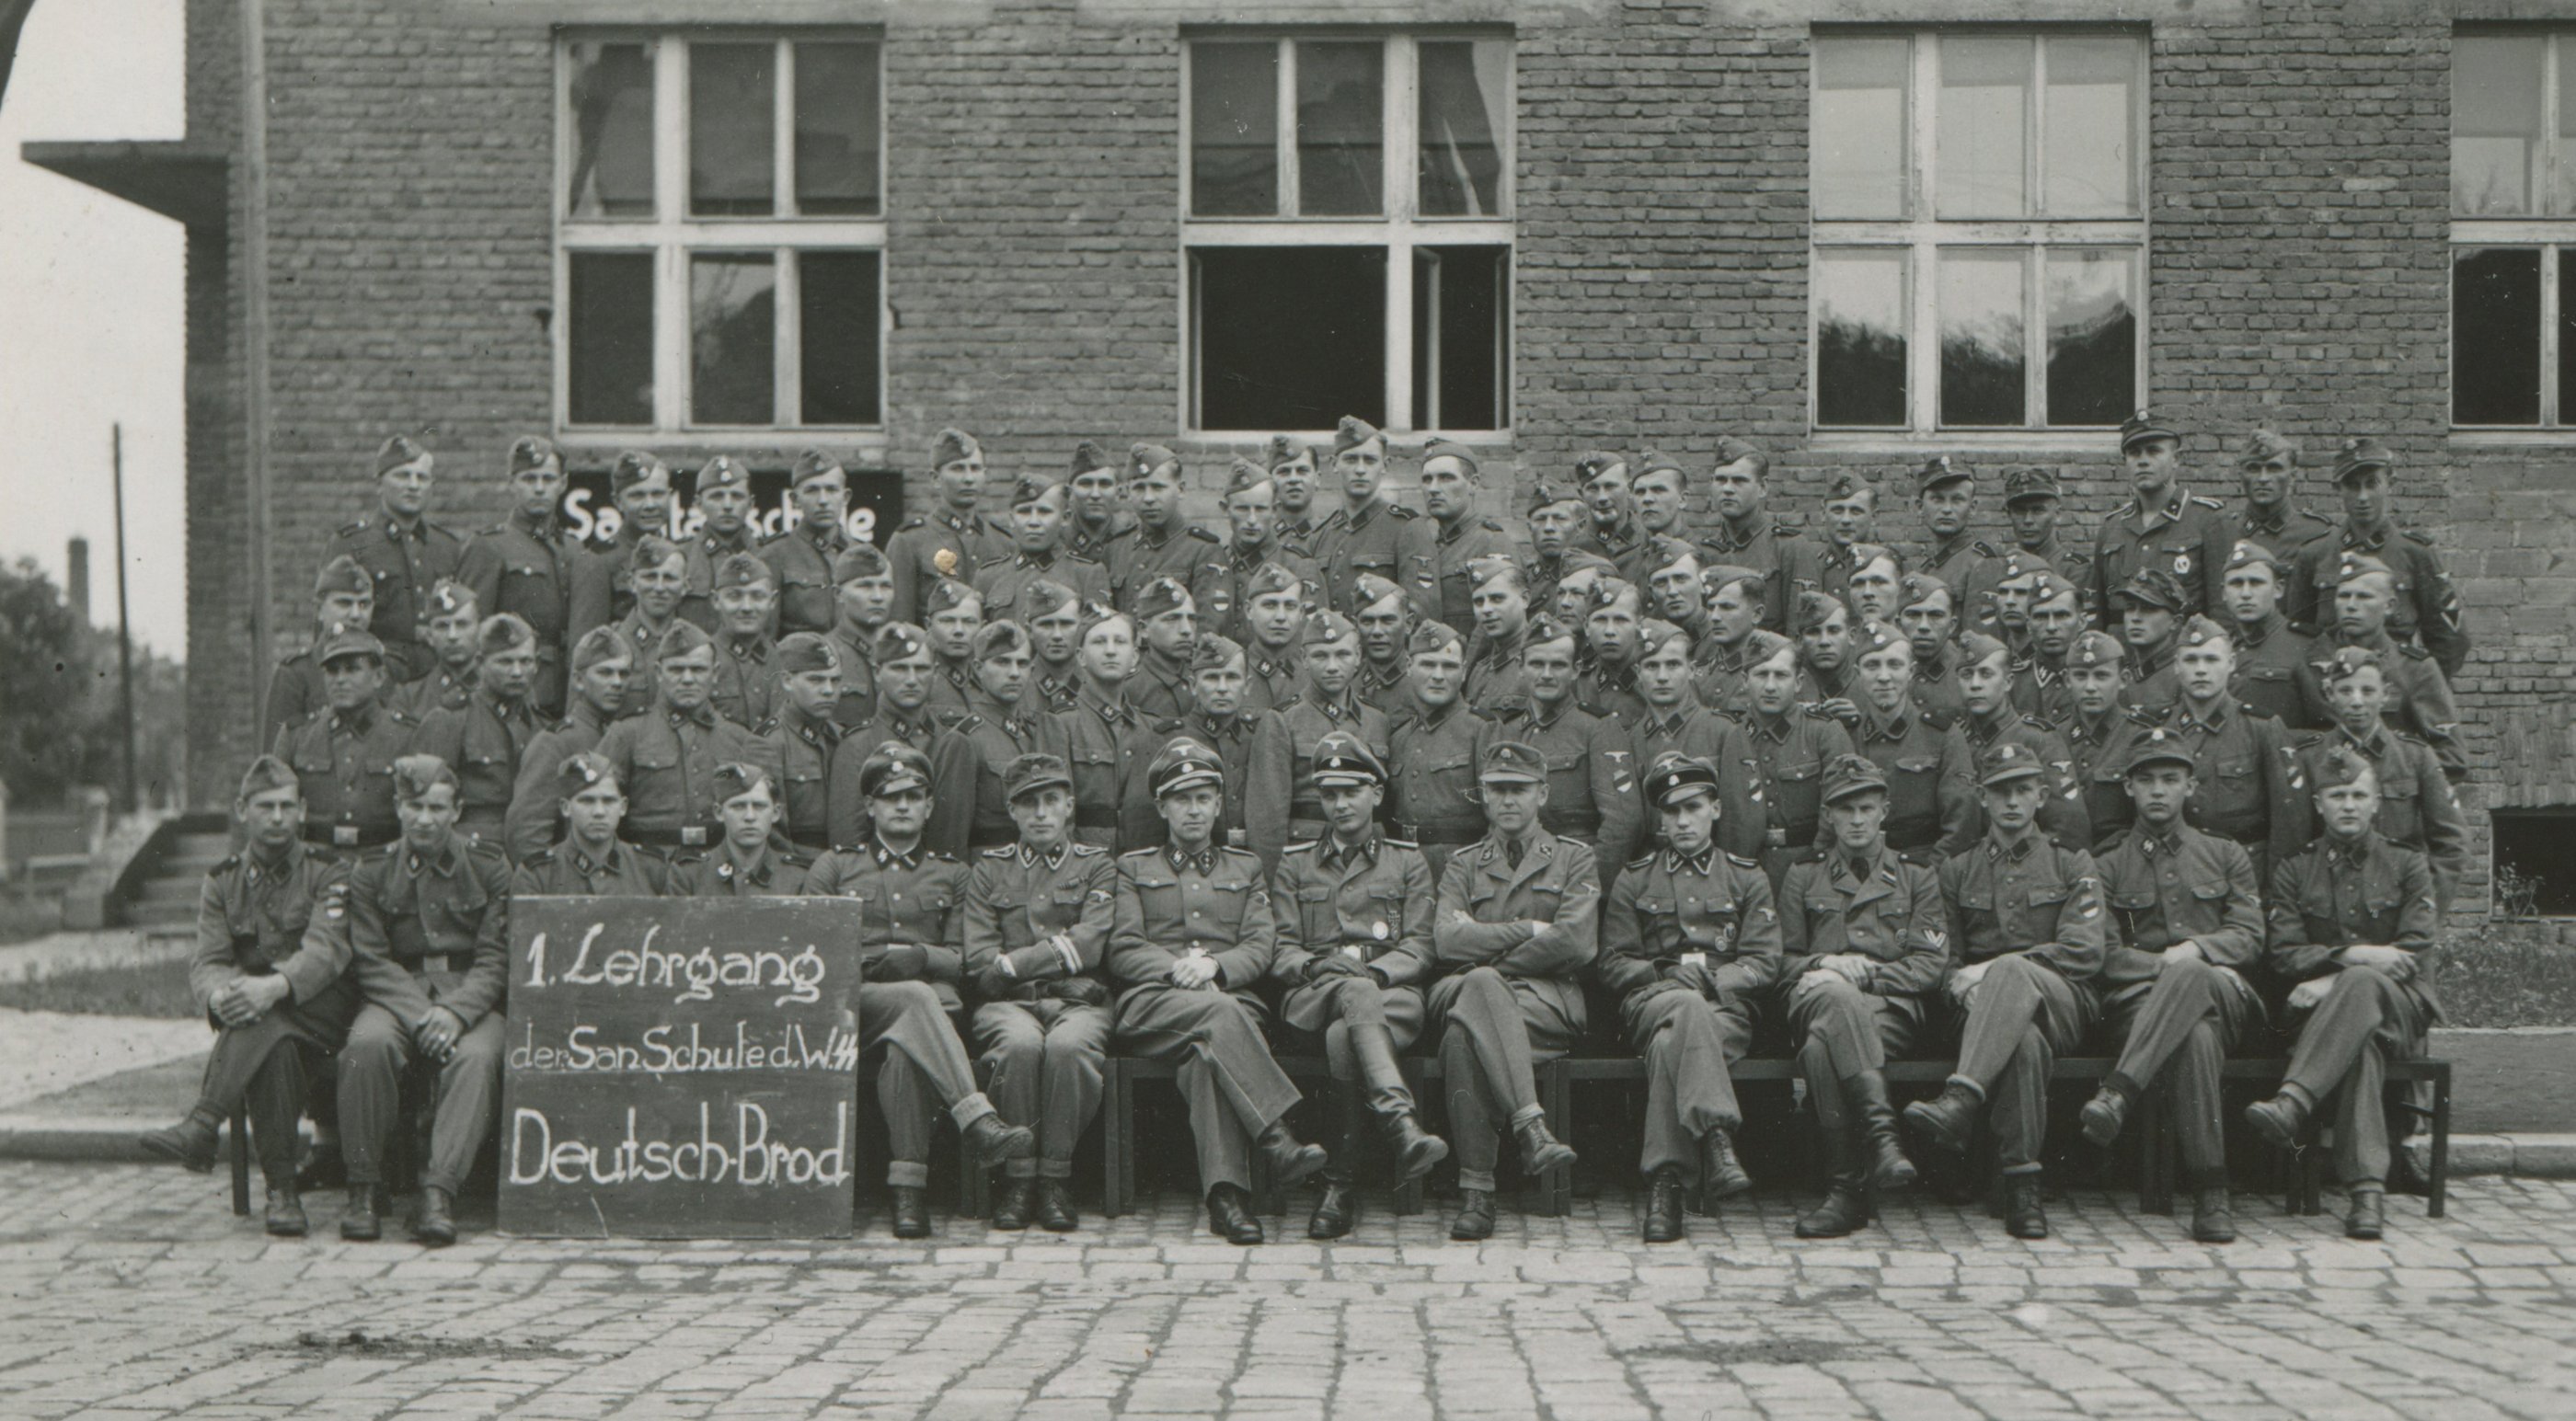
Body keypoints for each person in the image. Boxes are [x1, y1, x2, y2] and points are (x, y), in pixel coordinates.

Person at [804, 749, 1039, 1236]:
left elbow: (965, 959)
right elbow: (813, 950)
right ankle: (977, 1120)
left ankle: (907, 1191)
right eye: (890, 798)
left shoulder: (953, 874)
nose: (903, 806)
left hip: (925, 1019)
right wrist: (877, 962)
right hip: (853, 1008)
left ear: (930, 806)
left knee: (905, 1053)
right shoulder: (835, 867)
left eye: (914, 797)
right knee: (914, 997)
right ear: (870, 806)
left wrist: (921, 956)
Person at [1109, 738, 1328, 1244]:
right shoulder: (1133, 868)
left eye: (1203, 798)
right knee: (1221, 1015)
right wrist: (1178, 969)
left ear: (1217, 805)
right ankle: (1276, 1135)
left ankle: (1227, 1200)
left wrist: (1215, 966)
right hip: (1154, 1006)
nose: (1193, 810)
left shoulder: (1244, 868)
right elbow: (1123, 947)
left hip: (1227, 1006)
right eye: (1181, 799)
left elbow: (1261, 944)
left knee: (1206, 1058)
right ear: (1161, 807)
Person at [138, 757, 360, 1237]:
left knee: (264, 1017)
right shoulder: (223, 880)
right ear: (242, 810)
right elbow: (208, 959)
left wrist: (272, 987)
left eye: (286, 806)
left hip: (326, 1015)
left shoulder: (329, 871)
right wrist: (219, 996)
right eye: (265, 806)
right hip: (268, 1025)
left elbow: (326, 950)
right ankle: (283, 1195)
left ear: (302, 811)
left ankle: (204, 1125)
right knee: (272, 1044)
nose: (278, 817)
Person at [1903, 742, 2106, 1240]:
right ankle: (2022, 1186)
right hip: (1979, 1014)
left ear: (2041, 796)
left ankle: (1961, 1099)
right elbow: (1943, 959)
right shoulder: (1956, 871)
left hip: (2062, 1002)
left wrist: (1995, 971)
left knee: (2012, 971)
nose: (2012, 801)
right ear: (1982, 797)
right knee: (2023, 1042)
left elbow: (2084, 952)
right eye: (2000, 792)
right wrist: (1961, 989)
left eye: (2022, 790)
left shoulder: (2071, 862)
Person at [2243, 745, 2443, 1241]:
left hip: (2400, 1010)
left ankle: (2293, 1101)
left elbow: (2411, 953)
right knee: (2360, 1048)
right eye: (2337, 796)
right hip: (2337, 1027)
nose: (2348, 805)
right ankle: (2367, 1196)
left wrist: (2335, 976)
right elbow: (2284, 953)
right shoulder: (2295, 869)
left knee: (2360, 986)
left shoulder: (2408, 864)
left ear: (2376, 803)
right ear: (2318, 804)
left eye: (2357, 795)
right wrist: (2356, 956)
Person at [2075, 730, 2267, 1243]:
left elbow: (2249, 936)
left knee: (2194, 979)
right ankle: (2211, 1193)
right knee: (2194, 1036)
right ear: (2129, 788)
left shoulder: (2224, 854)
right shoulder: (2107, 864)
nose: (2158, 790)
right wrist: (2170, 965)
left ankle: (2119, 1092)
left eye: (2170, 779)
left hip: (2224, 998)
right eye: (2146, 781)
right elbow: (2103, 953)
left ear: (2190, 786)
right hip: (2139, 1008)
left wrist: (2198, 952)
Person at [1269, 732, 1449, 1239]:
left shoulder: (1407, 860)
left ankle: (1339, 1185)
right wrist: (1314, 967)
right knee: (1347, 1003)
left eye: (1352, 792)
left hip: (1392, 996)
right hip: (1316, 995)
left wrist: (1377, 974)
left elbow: (1421, 945)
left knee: (1344, 1033)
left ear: (1377, 793)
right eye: (1330, 794)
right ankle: (1400, 1123)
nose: (1341, 804)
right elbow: (1280, 947)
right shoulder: (1296, 862)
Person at [1596, 751, 1779, 1243]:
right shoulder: (1636, 877)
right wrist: (1662, 971)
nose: (1682, 821)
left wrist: (1715, 982)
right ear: (1660, 818)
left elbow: (1764, 962)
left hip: (1724, 1010)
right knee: (1684, 1008)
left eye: (1693, 807)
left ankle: (1667, 1184)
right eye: (1672, 811)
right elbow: (1612, 962)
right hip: (1653, 1001)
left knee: (1669, 1043)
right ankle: (1716, 1135)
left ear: (1715, 809)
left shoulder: (1746, 877)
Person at [334, 755, 512, 1247]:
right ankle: (364, 1187)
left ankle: (439, 1192)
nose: (425, 819)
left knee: (478, 1056)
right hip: (397, 994)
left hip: (470, 995)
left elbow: (496, 958)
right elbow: (371, 959)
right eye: (415, 806)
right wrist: (422, 1017)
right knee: (365, 1046)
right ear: (398, 807)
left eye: (437, 808)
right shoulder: (372, 871)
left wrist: (455, 1012)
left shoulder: (489, 866)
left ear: (457, 811)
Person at [1429, 740, 1590, 1241]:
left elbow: (1576, 942)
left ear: (1543, 794)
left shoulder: (1574, 859)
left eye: (1519, 789)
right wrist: (1530, 930)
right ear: (1483, 795)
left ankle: (1477, 1192)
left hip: (1544, 1000)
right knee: (1479, 988)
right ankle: (1531, 1128)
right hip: (1466, 988)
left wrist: (1486, 950)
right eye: (1497, 789)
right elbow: (1446, 940)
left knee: (1464, 1033)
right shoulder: (1463, 863)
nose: (1507, 800)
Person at [1777, 754, 1940, 1239]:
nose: (1856, 820)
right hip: (1817, 996)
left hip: (1889, 1009)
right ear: (1828, 815)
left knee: (1819, 1050)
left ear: (1884, 811)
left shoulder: (1916, 875)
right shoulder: (1803, 875)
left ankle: (1846, 1191)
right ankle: (1883, 1139)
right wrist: (1826, 964)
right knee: (1837, 1000)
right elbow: (1780, 960)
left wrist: (1863, 978)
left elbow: (1930, 964)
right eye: (1844, 810)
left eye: (1866, 808)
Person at [963, 752, 1117, 1232]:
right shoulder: (989, 870)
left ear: (1070, 806)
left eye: (1052, 800)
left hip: (1080, 1002)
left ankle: (1055, 1177)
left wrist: (1013, 965)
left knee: (1070, 1047)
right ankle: (1019, 1178)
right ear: (1012, 811)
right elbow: (980, 962)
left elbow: (1090, 943)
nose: (1042, 813)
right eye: (1028, 803)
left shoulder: (1097, 865)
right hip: (1009, 1005)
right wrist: (1042, 973)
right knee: (1019, 1045)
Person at [2294, 647, 2468, 912]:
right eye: (2345, 691)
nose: (2357, 701)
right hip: (2328, 910)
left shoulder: (2415, 756)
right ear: (2329, 694)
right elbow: (2295, 846)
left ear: (2385, 694)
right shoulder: (2309, 758)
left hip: (2400, 907)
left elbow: (2451, 843)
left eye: (2368, 691)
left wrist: (2425, 910)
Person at [2288, 438, 2469, 679]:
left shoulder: (2415, 553)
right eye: (2352, 486)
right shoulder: (2314, 554)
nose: (2363, 496)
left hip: (2396, 686)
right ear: (2337, 488)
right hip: (2331, 687)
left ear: (2390, 483)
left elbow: (2450, 639)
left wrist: (2420, 686)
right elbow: (2297, 635)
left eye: (2372, 484)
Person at [2154, 614, 2308, 884]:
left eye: (2211, 659)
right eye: (2191, 660)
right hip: (2178, 872)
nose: (2201, 670)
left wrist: (2279, 888)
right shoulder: (2161, 729)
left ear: (2231, 663)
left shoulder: (2262, 727)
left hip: (2246, 873)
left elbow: (2289, 820)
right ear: (2176, 666)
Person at [592, 622, 770, 856]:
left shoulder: (739, 739)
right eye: (676, 669)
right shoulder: (627, 734)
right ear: (659, 673)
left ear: (715, 673)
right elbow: (593, 806)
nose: (687, 679)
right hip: (648, 863)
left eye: (698, 669)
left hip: (717, 862)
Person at [1487, 614, 1640, 882]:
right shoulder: (1507, 730)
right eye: (1537, 664)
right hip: (1515, 876)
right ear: (1520, 667)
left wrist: (1587, 884)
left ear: (1576, 669)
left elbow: (1623, 821)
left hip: (1574, 873)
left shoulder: (1597, 728)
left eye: (1558, 665)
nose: (1547, 674)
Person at [1246, 610, 1392, 871]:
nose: (1332, 666)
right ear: (1304, 658)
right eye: (1320, 656)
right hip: (1307, 861)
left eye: (1342, 654)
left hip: (1370, 861)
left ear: (1358, 656)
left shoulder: (1377, 720)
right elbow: (1267, 820)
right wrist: (1276, 880)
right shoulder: (1282, 720)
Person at [2303, 551, 2467, 782]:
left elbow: (2452, 757)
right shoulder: (2308, 660)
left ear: (2389, 606)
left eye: (2364, 597)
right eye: (2344, 596)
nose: (2351, 606)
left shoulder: (2414, 667)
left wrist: (2375, 775)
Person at [324, 434, 473, 684]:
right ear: (379, 484)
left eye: (421, 478)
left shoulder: (447, 546)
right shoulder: (352, 543)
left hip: (436, 677)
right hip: (377, 675)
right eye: (402, 476)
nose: (413, 485)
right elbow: (328, 622)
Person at [1623, 616, 1765, 864]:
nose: (1662, 676)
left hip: (1713, 868)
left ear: (1691, 670)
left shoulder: (1723, 731)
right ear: (1637, 673)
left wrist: (1725, 874)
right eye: (1651, 666)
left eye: (1673, 665)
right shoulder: (1631, 738)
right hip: (1652, 870)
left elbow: (1742, 821)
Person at [271, 626, 417, 856]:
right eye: (332, 671)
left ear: (379, 677)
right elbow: (274, 807)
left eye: (352, 669)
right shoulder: (297, 735)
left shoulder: (406, 736)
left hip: (383, 861)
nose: (340, 680)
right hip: (315, 863)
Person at [460, 436, 577, 716]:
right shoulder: (489, 546)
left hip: (569, 691)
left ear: (563, 483)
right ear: (512, 483)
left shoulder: (573, 548)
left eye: (548, 479)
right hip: (517, 692)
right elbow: (472, 632)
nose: (539, 488)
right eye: (529, 479)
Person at [827, 622, 968, 852]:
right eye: (899, 668)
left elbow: (954, 841)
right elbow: (848, 843)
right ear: (877, 672)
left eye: (921, 669)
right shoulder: (857, 745)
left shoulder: (953, 744)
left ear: (935, 672)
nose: (911, 679)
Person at [1031, 608, 1163, 854]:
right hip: (1086, 860)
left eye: (1120, 642)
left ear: (1135, 657)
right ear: (1081, 657)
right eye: (1099, 642)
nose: (1110, 650)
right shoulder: (1061, 722)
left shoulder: (1150, 728)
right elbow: (1056, 813)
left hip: (1143, 861)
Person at [408, 613, 543, 850]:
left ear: (537, 664)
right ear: (480, 663)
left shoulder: (539, 725)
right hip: (469, 851)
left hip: (526, 846)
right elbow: (421, 805)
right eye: (505, 662)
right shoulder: (450, 720)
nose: (517, 672)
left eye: (525, 661)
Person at [1735, 630, 1857, 888]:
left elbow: (1841, 807)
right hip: (1745, 868)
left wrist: (1816, 866)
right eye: (1761, 674)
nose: (1770, 686)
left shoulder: (1824, 732)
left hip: (1811, 866)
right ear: (1744, 680)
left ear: (1799, 682)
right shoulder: (1731, 734)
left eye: (1781, 675)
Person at [1845, 619, 1974, 863]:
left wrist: (1926, 875)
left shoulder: (1942, 735)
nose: (1884, 677)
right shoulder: (1846, 735)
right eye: (1872, 665)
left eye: (1894, 665)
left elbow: (1961, 823)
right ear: (1857, 673)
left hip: (1924, 866)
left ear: (1911, 672)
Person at [2087, 410, 2232, 625]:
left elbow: (2223, 612)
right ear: (2125, 461)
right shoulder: (2112, 527)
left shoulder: (2208, 520)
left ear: (2176, 459)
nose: (2143, 461)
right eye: (2134, 453)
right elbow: (2098, 614)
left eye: (2153, 451)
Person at [1950, 631, 2090, 852]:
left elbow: (2067, 828)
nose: (1975, 684)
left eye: (1986, 674)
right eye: (1967, 675)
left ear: (2008, 682)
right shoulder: (1952, 737)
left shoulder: (2037, 738)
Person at [504, 625, 631, 862]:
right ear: (579, 680)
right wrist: (547, 879)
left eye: (623, 674)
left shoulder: (626, 735)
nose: (617, 682)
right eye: (605, 673)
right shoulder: (555, 742)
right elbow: (527, 832)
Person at [1387, 620, 1489, 880]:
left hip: (1462, 869)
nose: (1438, 676)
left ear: (1464, 672)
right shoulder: (1399, 737)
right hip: (1403, 868)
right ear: (1409, 667)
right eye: (1428, 664)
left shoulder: (1481, 729)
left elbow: (1498, 818)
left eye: (1449, 666)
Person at [939, 620, 1046, 854]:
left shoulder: (1036, 732)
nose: (1014, 673)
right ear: (978, 668)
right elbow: (949, 841)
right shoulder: (964, 740)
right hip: (988, 870)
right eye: (1002, 662)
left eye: (1022, 663)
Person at [1312, 416, 1437, 615]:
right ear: (1334, 464)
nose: (1360, 470)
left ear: (1385, 465)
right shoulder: (1322, 535)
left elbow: (1420, 611)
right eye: (1351, 459)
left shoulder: (1406, 528)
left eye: (1370, 460)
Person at [1698, 438, 1823, 633]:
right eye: (1721, 480)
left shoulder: (1790, 547)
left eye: (1739, 481)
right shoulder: (1703, 551)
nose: (1728, 489)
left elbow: (1800, 628)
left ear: (1763, 487)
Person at [510, 752, 671, 896]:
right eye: (587, 801)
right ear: (566, 808)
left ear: (623, 807)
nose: (599, 812)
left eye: (609, 801)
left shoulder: (652, 869)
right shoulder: (538, 875)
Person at [565, 450, 676, 647]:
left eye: (658, 494)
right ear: (618, 501)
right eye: (637, 496)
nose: (650, 504)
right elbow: (586, 647)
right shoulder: (597, 560)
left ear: (669, 496)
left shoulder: (678, 555)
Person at [2057, 630, 2152, 847]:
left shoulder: (2139, 736)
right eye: (2081, 676)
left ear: (2124, 679)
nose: (2090, 687)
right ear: (2067, 680)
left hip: (2120, 856)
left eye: (2101, 676)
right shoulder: (2053, 737)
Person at [977, 474, 1111, 625]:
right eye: (1024, 512)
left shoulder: (1086, 574)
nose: (1033, 522)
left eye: (1044, 512)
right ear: (1012, 519)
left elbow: (1098, 631)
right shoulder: (989, 576)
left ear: (1065, 518)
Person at [2218, 540, 2324, 729]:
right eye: (2236, 583)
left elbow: (2327, 729)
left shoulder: (2305, 645)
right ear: (2224, 593)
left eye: (2256, 582)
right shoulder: (2219, 647)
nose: (2246, 593)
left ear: (2278, 589)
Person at [269, 556, 376, 743]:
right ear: (319, 610)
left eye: (364, 604)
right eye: (344, 603)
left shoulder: (383, 668)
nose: (356, 615)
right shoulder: (296, 674)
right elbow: (276, 753)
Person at [760, 633, 845, 859]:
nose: (829, 690)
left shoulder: (842, 738)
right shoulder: (769, 743)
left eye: (835, 680)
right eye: (816, 680)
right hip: (797, 866)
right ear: (788, 681)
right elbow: (772, 834)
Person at [1171, 634, 1260, 850]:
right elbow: (1145, 821)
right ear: (1193, 685)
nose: (1222, 687)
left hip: (1251, 858)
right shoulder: (1171, 739)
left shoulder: (1259, 735)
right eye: (1212, 677)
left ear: (1247, 685)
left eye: (1232, 677)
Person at [1423, 441, 1515, 636]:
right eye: (1427, 479)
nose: (1433, 488)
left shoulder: (1492, 542)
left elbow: (1508, 623)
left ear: (1473, 484)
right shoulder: (1426, 546)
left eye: (1446, 478)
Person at [761, 449, 856, 636]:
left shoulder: (859, 552)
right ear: (795, 500)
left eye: (831, 490)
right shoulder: (774, 555)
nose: (823, 500)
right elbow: (766, 634)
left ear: (845, 497)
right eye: (812, 490)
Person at [1911, 456, 2005, 627]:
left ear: (1973, 507)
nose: (1947, 509)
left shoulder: (1982, 563)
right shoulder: (1927, 567)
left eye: (1957, 500)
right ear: (1920, 506)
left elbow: (1981, 636)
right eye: (1937, 499)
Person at [604, 536, 691, 718]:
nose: (659, 588)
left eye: (669, 578)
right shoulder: (604, 647)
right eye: (650, 577)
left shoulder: (697, 647)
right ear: (632, 582)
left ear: (685, 586)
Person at [2223, 428, 2335, 566]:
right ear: (2241, 476)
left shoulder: (2316, 533)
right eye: (2253, 469)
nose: (2263, 478)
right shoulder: (2225, 531)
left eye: (2274, 468)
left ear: (2293, 476)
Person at [677, 455, 763, 633]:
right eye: (717, 497)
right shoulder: (681, 557)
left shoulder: (767, 554)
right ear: (698, 504)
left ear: (751, 504)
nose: (728, 505)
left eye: (737, 496)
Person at [2000, 466, 2092, 620]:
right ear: (2008, 515)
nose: (2028, 520)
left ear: (2057, 514)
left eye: (2038, 511)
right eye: (2019, 511)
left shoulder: (2075, 569)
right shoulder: (2000, 567)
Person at [706, 553, 782, 731]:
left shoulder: (784, 660)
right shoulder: (701, 661)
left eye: (757, 596)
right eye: (734, 596)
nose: (747, 607)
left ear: (772, 601)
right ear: (716, 600)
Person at [826, 543, 897, 728]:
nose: (878, 597)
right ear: (838, 594)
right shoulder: (825, 653)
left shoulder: (904, 652)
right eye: (865, 586)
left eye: (886, 586)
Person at [390, 578, 479, 720]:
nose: (452, 636)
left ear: (479, 631)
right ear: (430, 636)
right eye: (442, 626)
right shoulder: (409, 697)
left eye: (462, 625)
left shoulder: (499, 687)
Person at [1234, 562, 1309, 716]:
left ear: (1301, 613)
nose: (1280, 616)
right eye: (1270, 605)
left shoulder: (1311, 677)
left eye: (1290, 606)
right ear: (1249, 610)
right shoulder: (1231, 676)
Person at [2110, 567, 2187, 716]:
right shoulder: (2120, 674)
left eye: (2149, 609)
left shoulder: (2183, 676)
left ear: (2175, 622)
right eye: (2130, 608)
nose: (2135, 618)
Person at [918, 577, 986, 731]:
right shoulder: (920, 681)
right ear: (928, 625)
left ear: (982, 628)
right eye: (948, 621)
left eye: (969, 622)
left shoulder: (988, 680)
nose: (958, 631)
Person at [1127, 578, 1200, 723]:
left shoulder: (1206, 679)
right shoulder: (1130, 689)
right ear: (1144, 629)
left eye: (1191, 619)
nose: (1186, 629)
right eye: (1172, 619)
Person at [1064, 440, 1134, 564]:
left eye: (1104, 484)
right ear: (1070, 493)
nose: (1095, 494)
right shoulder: (1058, 541)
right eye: (1086, 484)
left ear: (1118, 492)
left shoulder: (1131, 540)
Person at [1264, 433, 1326, 558]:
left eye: (1302, 471)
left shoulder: (1330, 536)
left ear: (1317, 479)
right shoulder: (1259, 539)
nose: (1293, 479)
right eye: (1284, 472)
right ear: (1270, 482)